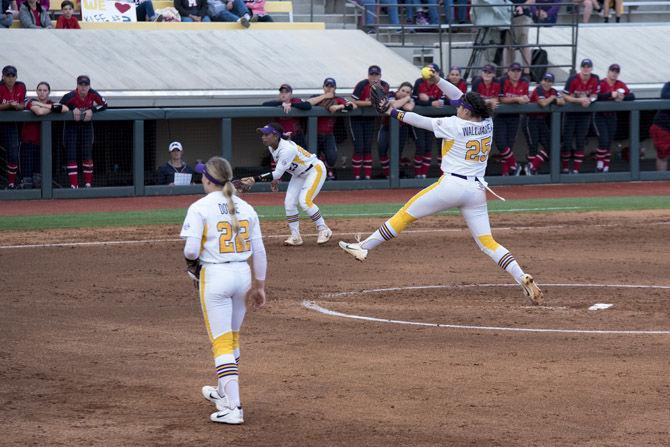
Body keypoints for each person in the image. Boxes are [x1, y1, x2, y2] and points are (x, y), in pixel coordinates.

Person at [339, 68, 544, 306]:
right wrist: (437, 80)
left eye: (461, 106)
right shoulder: (487, 121)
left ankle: (364, 247)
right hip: (477, 191)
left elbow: (420, 120)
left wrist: (390, 111)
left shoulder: (454, 124)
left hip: (452, 185)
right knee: (488, 243)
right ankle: (521, 276)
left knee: (406, 213)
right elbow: (459, 96)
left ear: (467, 110)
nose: (457, 106)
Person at [181, 156, 267, 425]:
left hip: (215, 277)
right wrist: (260, 285)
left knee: (221, 343)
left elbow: (191, 251)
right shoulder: (246, 207)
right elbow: (261, 251)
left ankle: (233, 407)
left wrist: (191, 264)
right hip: (242, 275)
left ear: (208, 179)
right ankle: (222, 391)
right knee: (231, 340)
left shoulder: (199, 207)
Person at [241, 122, 332, 246]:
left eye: (266, 134)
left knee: (304, 201)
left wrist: (255, 179)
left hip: (314, 170)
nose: (263, 137)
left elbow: (278, 173)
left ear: (275, 136)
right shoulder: (271, 147)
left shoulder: (287, 149)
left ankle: (324, 229)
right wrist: (274, 179)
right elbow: (280, 168)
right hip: (298, 174)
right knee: (289, 203)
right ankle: (296, 237)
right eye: (263, 134)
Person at [58, 75, 108, 188]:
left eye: (86, 85)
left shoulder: (93, 93)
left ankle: (88, 184)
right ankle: (73, 185)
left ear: (89, 86)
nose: (83, 87)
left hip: (86, 125)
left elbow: (105, 104)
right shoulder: (70, 96)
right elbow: (58, 106)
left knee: (87, 154)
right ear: (77, 85)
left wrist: (92, 109)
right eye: (81, 85)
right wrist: (71, 108)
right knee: (71, 154)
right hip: (71, 126)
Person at [306, 77, 356, 180]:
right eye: (327, 86)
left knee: (332, 158)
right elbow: (307, 103)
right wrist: (324, 96)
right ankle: (316, 175)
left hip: (328, 134)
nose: (329, 88)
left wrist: (339, 107)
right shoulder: (317, 97)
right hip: (314, 134)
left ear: (335, 88)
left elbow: (353, 105)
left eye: (331, 86)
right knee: (311, 158)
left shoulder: (338, 99)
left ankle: (328, 170)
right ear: (323, 87)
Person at [21, 81, 68, 189]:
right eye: (40, 90)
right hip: (28, 143)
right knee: (27, 180)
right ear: (36, 92)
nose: (42, 92)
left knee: (39, 180)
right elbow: (39, 112)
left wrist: (43, 105)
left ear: (48, 92)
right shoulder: (31, 101)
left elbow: (65, 108)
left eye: (45, 90)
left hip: (43, 145)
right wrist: (52, 108)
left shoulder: (51, 102)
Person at [351, 65, 389, 179]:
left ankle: (367, 177)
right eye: (372, 75)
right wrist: (368, 103)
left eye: (376, 75)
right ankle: (357, 177)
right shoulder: (362, 84)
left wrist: (372, 102)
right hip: (356, 119)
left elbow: (383, 101)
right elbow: (353, 101)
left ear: (380, 76)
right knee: (359, 147)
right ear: (368, 75)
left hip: (371, 119)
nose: (374, 77)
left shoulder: (384, 85)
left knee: (367, 147)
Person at [594, 63, 634, 172]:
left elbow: (632, 96)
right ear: (608, 72)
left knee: (609, 141)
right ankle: (599, 163)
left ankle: (606, 166)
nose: (614, 74)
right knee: (604, 140)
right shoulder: (601, 83)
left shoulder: (620, 84)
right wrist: (610, 95)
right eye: (612, 71)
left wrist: (622, 97)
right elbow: (595, 96)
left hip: (612, 116)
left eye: (616, 72)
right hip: (600, 116)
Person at [561, 58, 599, 173]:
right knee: (567, 141)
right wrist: (580, 100)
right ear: (581, 68)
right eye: (584, 66)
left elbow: (595, 95)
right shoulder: (573, 79)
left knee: (580, 141)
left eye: (588, 67)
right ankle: (565, 168)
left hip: (584, 114)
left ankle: (576, 170)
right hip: (571, 114)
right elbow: (565, 96)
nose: (586, 69)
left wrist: (590, 101)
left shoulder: (595, 78)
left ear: (591, 68)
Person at [524, 72, 565, 175]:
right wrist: (552, 98)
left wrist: (555, 98)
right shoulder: (538, 89)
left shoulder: (553, 91)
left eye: (549, 81)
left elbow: (562, 102)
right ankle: (531, 171)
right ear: (542, 81)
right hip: (530, 120)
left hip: (541, 121)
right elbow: (542, 103)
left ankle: (532, 166)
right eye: (545, 80)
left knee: (551, 144)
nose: (547, 83)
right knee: (533, 146)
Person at [496, 62, 529, 176]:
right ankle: (515, 166)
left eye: (518, 71)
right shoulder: (502, 81)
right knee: (500, 143)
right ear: (508, 72)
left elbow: (525, 98)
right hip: (501, 116)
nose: (515, 73)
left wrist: (523, 99)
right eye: (513, 71)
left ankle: (506, 172)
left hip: (514, 116)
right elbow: (501, 99)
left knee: (509, 145)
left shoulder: (524, 82)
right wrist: (517, 99)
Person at [377, 82, 415, 178]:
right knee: (382, 150)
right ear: (398, 89)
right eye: (403, 90)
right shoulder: (391, 94)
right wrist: (406, 99)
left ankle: (394, 176)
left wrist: (405, 101)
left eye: (407, 92)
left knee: (397, 153)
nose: (404, 93)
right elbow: (393, 105)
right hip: (386, 127)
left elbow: (409, 108)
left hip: (401, 129)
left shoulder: (411, 99)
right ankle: (387, 175)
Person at [412, 63, 444, 179]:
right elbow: (414, 101)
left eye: (433, 71)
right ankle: (417, 174)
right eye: (429, 71)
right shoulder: (419, 82)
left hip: (434, 120)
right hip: (419, 119)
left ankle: (424, 174)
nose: (431, 73)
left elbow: (442, 102)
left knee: (429, 147)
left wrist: (428, 100)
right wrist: (430, 102)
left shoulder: (441, 83)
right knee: (421, 146)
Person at [261, 84, 312, 149]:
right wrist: (282, 104)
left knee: (302, 156)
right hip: (282, 137)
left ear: (290, 94)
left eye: (286, 92)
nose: (283, 94)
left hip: (296, 136)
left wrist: (291, 104)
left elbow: (308, 105)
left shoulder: (296, 101)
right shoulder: (276, 103)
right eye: (282, 92)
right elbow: (264, 105)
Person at [0, 65, 26, 190]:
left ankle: (11, 183)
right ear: (3, 76)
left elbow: (23, 105)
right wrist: (8, 105)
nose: (10, 79)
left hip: (11, 126)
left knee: (13, 154)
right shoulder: (0, 87)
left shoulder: (21, 86)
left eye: (12, 76)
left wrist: (17, 106)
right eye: (7, 76)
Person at [504, 0, 533, 71]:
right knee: (508, 45)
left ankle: (526, 72)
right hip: (505, 15)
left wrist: (522, 7)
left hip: (522, 15)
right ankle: (508, 72)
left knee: (524, 43)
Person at [650, 82, 670, 171]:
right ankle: (661, 181)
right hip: (663, 127)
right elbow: (665, 96)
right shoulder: (668, 85)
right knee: (663, 156)